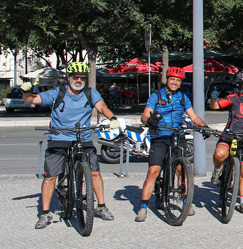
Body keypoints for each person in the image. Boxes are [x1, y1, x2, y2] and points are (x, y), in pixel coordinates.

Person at [24, 62, 117, 229]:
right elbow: (33, 99)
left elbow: (102, 106)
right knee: (50, 176)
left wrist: (113, 119)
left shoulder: (90, 93)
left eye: (82, 78)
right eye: (76, 77)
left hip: (83, 136)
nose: (79, 80)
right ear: (68, 78)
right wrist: (26, 91)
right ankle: (44, 214)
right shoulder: (58, 93)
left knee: (94, 172)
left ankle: (101, 206)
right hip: (59, 137)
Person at [137, 66, 208, 222]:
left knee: (182, 170)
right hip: (160, 137)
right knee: (153, 171)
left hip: (177, 136)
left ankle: (186, 201)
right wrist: (149, 120)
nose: (175, 82)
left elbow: (194, 116)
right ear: (167, 80)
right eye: (172, 79)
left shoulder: (183, 97)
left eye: (178, 80)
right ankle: (143, 207)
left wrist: (204, 126)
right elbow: (144, 116)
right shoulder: (156, 95)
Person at [208, 69, 243, 215]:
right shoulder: (233, 97)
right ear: (242, 84)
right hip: (230, 134)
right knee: (220, 153)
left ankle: (242, 202)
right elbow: (215, 106)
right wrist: (213, 98)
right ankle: (216, 171)